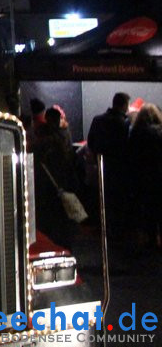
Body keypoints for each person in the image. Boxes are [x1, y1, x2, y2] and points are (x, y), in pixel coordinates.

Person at [87, 92, 132, 235]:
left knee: (102, 198)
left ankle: (104, 227)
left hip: (102, 166)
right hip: (121, 168)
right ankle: (118, 229)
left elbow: (91, 142)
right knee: (119, 200)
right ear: (124, 105)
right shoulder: (124, 123)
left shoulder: (98, 120)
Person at [35, 107, 79, 247]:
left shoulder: (42, 137)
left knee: (50, 217)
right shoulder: (63, 135)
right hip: (62, 181)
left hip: (47, 183)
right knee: (63, 217)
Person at [128, 103, 162, 248]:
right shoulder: (160, 132)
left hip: (142, 176)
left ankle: (151, 238)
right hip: (159, 175)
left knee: (147, 209)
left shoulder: (135, 132)